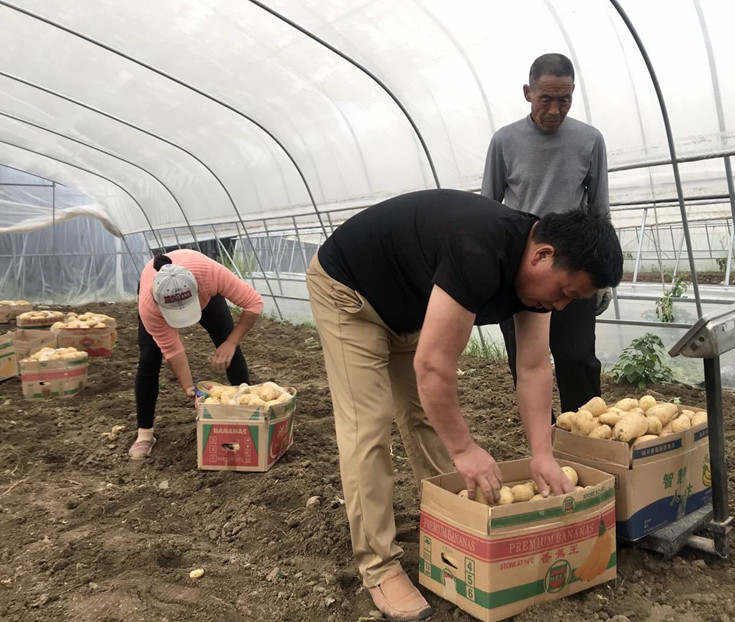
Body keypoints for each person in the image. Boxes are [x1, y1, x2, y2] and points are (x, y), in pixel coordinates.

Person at [305, 188, 622, 621]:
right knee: (369, 426)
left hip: (406, 306)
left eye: (572, 299)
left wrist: (542, 454)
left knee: (425, 417)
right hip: (350, 292)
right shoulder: (479, 250)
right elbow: (434, 366)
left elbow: (533, 367)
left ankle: (450, 522)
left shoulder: (539, 277)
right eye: (565, 292)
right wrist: (464, 449)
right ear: (543, 255)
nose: (562, 305)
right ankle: (379, 568)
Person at [481, 52, 612, 414]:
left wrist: (602, 278)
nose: (555, 110)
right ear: (528, 93)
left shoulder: (590, 140)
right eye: (545, 99)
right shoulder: (504, 141)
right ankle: (544, 436)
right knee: (526, 362)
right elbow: (489, 207)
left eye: (564, 99)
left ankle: (584, 434)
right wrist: (493, 272)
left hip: (574, 268)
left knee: (577, 359)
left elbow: (599, 210)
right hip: (523, 272)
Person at [129, 249, 263, 460]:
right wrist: (189, 388)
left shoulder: (209, 274)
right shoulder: (149, 305)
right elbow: (172, 349)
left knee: (228, 344)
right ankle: (145, 434)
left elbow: (254, 303)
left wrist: (231, 343)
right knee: (149, 359)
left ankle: (248, 415)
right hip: (156, 297)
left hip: (204, 294)